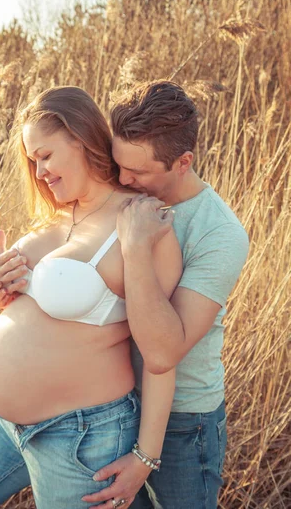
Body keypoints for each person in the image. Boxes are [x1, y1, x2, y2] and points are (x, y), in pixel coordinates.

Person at [0, 85, 182, 509]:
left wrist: (144, 457)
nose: (39, 171)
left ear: (80, 138)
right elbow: (41, 305)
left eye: (45, 155)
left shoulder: (140, 221)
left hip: (81, 430)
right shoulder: (59, 214)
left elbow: (159, 355)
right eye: (32, 161)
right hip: (6, 423)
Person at [82, 80, 249, 509]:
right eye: (119, 164)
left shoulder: (220, 233)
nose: (122, 179)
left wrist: (136, 247)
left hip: (183, 423)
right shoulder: (121, 193)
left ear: (182, 162)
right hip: (111, 405)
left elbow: (163, 351)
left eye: (138, 171)